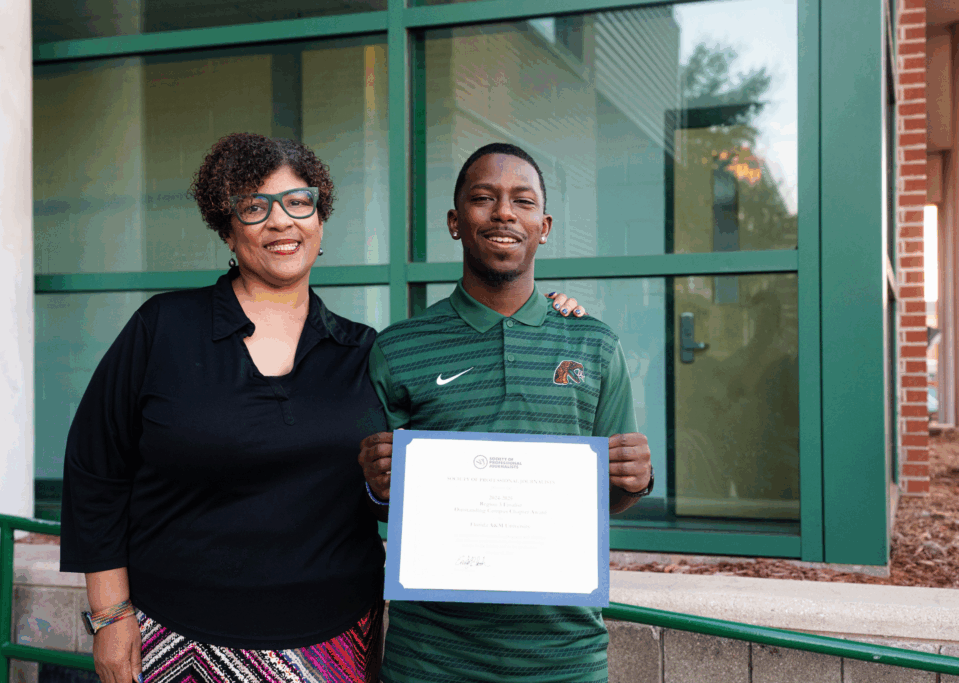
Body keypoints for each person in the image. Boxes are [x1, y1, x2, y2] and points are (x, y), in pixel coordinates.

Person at [58, 132, 586, 683]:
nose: (281, 221)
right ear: (228, 229)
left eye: (298, 202)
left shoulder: (365, 351)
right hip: (176, 639)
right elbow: (95, 468)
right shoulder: (163, 329)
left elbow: (433, 460)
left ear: (320, 220)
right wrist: (109, 615)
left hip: (334, 647)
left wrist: (540, 316)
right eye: (255, 207)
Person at [358, 142, 654, 683]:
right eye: (483, 198)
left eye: (521, 201)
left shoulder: (593, 345)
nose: (502, 213)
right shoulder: (399, 348)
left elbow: (606, 499)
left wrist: (634, 480)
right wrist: (379, 486)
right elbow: (383, 507)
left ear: (543, 226)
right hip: (430, 659)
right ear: (454, 221)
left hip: (562, 658)